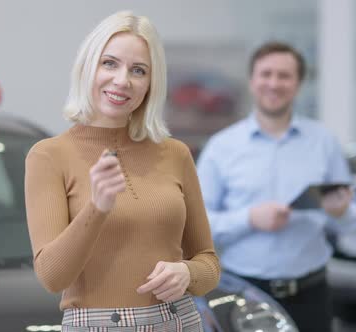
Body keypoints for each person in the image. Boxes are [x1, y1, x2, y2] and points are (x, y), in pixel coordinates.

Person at [24, 11, 220, 331]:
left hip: (177, 321)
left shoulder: (176, 153)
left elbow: (208, 263)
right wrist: (97, 208)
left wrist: (188, 273)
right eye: (110, 63)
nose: (122, 80)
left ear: (150, 84)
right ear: (88, 67)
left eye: (138, 70)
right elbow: (52, 277)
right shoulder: (48, 156)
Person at [196, 41, 356, 332]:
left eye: (284, 76)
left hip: (312, 293)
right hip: (240, 296)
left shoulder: (324, 142)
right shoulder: (221, 147)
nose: (274, 83)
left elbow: (352, 222)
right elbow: (195, 225)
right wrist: (249, 218)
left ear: (298, 84)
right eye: (266, 74)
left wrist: (340, 211)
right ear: (252, 81)